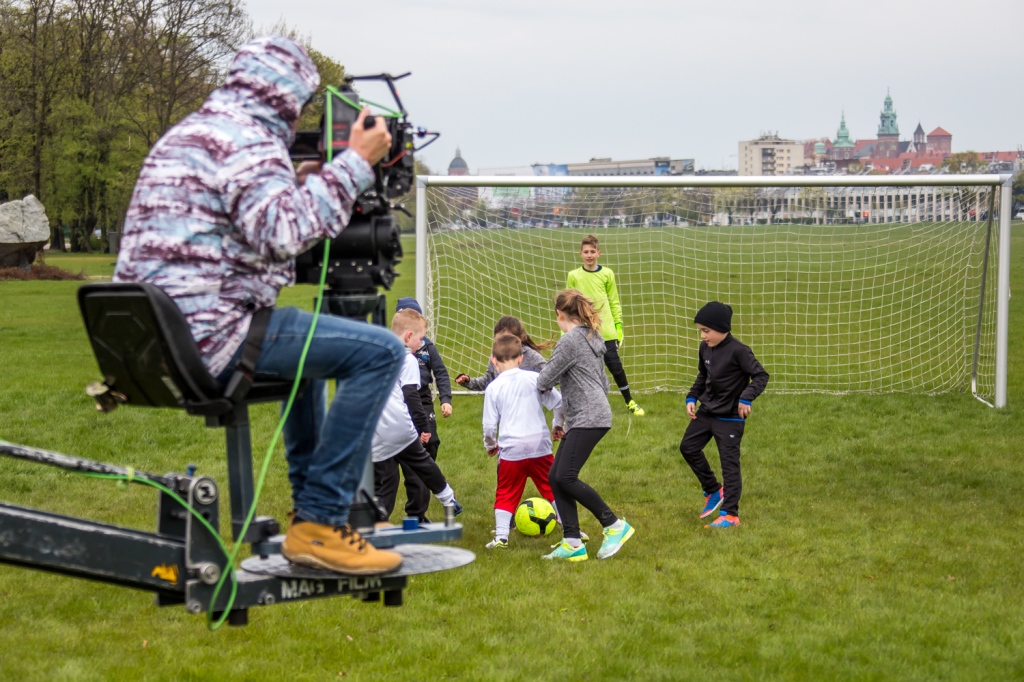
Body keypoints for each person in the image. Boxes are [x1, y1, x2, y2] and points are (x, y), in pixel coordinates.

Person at [113, 36, 404, 575]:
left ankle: (311, 515)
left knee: (312, 354)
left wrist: (299, 185)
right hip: (211, 336)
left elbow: (237, 223)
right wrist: (354, 165)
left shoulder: (194, 133)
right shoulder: (249, 140)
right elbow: (284, 232)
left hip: (156, 338)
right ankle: (321, 522)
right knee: (381, 352)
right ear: (286, 96)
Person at [536, 289, 635, 562]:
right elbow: (603, 383)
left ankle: (614, 525)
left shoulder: (569, 341)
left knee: (566, 477)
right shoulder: (592, 336)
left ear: (559, 314)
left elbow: (544, 380)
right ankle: (572, 542)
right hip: (591, 414)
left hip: (588, 416)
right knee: (555, 476)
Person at [680, 301, 769, 529]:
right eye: (700, 330)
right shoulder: (705, 348)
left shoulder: (740, 351)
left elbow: (761, 375)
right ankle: (713, 490)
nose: (702, 336)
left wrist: (746, 397)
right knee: (688, 447)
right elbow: (703, 375)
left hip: (730, 418)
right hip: (707, 412)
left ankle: (730, 514)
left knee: (729, 465)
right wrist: (692, 397)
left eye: (706, 330)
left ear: (722, 329)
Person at [372, 309, 462, 520]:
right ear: (408, 336)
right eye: (420, 339)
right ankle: (449, 500)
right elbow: (411, 396)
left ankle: (374, 522)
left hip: (375, 430)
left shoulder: (378, 355)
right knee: (423, 463)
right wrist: (423, 427)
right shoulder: (408, 359)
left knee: (382, 481)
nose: (421, 343)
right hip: (400, 427)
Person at [482, 334, 564, 549]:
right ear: (521, 358)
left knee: (506, 491)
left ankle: (501, 537)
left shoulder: (493, 388)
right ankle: (571, 530)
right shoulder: (535, 378)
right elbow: (559, 403)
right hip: (540, 446)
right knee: (552, 487)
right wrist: (557, 425)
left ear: (493, 360)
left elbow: (489, 426)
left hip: (511, 449)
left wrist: (490, 445)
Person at [566, 234, 645, 417]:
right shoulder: (573, 276)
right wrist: (567, 332)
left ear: (598, 253)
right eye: (586, 252)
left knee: (615, 367)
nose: (589, 255)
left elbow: (614, 302)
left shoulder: (607, 274)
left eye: (592, 251)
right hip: (583, 331)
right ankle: (582, 405)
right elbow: (569, 305)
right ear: (580, 254)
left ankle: (629, 401)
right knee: (584, 370)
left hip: (606, 331)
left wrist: (618, 327)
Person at [393, 298, 453, 523]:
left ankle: (423, 479)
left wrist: (445, 399)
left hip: (423, 401)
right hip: (401, 402)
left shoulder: (427, 347)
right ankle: (416, 511)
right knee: (411, 455)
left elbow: (441, 373)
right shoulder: (394, 349)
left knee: (430, 444)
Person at [455, 316, 548, 391]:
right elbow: (487, 382)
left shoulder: (532, 357)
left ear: (521, 338)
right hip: (503, 407)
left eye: (507, 340)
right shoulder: (496, 356)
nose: (503, 345)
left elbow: (549, 376)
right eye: (499, 340)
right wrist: (468, 382)